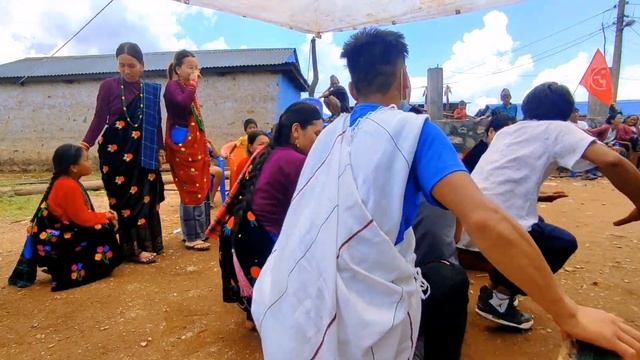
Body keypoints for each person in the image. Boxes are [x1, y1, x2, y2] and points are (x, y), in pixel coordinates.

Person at [250, 28, 640, 360]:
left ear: (352, 87)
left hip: (286, 301)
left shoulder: (326, 138)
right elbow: (483, 219)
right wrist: (567, 312)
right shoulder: (413, 131)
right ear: (405, 80)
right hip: (360, 320)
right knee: (443, 283)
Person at [465, 82, 640, 336]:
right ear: (569, 113)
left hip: (466, 224)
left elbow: (504, 179)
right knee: (561, 243)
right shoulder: (559, 128)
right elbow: (612, 161)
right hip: (493, 233)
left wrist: (542, 197)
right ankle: (498, 301)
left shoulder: (508, 132)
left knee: (539, 224)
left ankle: (499, 285)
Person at [207, 102, 323, 330]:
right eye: (317, 133)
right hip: (255, 242)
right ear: (297, 130)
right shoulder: (295, 161)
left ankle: (254, 313)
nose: (319, 140)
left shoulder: (271, 152)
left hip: (238, 236)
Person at [80, 42, 165, 265]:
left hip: (144, 152)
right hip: (116, 154)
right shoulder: (108, 86)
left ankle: (149, 243)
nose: (127, 70)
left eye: (132, 65)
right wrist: (85, 144)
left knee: (145, 197)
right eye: (122, 65)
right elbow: (99, 118)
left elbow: (156, 123)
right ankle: (132, 249)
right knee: (124, 200)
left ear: (142, 66)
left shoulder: (151, 92)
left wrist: (161, 148)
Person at [9, 144, 122, 291]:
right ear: (73, 168)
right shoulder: (68, 185)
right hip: (55, 237)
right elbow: (83, 219)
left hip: (52, 232)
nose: (90, 163)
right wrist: (107, 216)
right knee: (103, 229)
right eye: (86, 160)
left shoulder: (65, 181)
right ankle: (84, 270)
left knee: (102, 224)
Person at [164, 50, 211, 251]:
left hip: (195, 142)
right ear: (177, 69)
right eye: (190, 67)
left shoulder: (186, 88)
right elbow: (182, 105)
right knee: (190, 188)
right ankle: (192, 236)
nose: (194, 71)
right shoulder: (173, 87)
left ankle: (197, 232)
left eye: (196, 67)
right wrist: (192, 84)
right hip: (182, 143)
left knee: (199, 185)